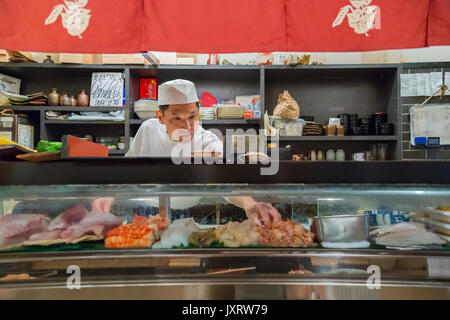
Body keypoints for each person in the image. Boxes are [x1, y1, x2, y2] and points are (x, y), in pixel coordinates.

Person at [94, 79, 281, 227]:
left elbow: (226, 183)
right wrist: (109, 191)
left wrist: (249, 203)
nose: (188, 126)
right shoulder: (148, 129)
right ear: (160, 117)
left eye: (192, 116)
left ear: (199, 112)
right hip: (145, 213)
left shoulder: (207, 140)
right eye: (177, 118)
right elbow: (127, 169)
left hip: (187, 216)